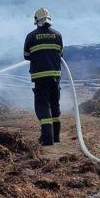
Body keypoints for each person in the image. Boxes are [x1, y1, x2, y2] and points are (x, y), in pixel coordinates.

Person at [23, 8, 63, 146]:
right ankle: (56, 136)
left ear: (36, 20)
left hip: (40, 78)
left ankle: (47, 138)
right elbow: (61, 54)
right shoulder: (58, 35)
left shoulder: (31, 36)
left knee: (43, 105)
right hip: (55, 77)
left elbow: (26, 56)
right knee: (54, 104)